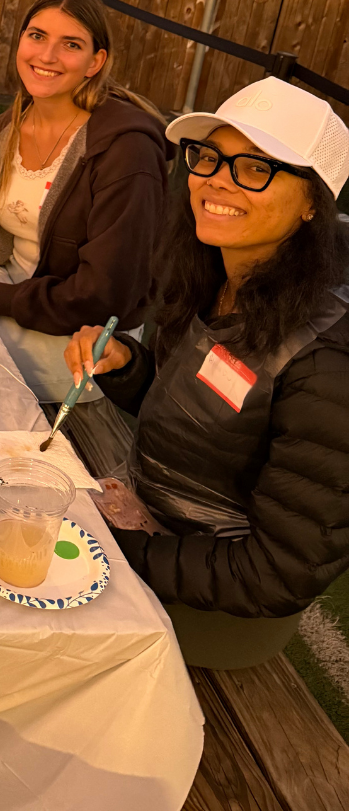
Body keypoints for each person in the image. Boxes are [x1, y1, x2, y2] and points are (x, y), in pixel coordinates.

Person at [65, 76, 349, 668]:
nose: (217, 178)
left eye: (256, 168)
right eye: (211, 157)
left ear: (312, 202)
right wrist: (124, 366)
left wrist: (117, 552)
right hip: (149, 524)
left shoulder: (327, 364)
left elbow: (276, 574)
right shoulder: (213, 278)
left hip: (216, 609)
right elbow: (204, 420)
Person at [0, 0, 170, 403]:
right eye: (37, 36)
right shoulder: (6, 130)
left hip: (82, 337)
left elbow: (105, 295)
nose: (46, 56)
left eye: (70, 44)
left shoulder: (126, 149)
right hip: (15, 292)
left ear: (94, 62)